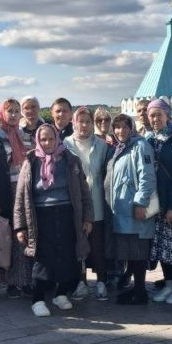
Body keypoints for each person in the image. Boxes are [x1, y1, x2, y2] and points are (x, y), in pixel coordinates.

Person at [13, 123, 92, 316]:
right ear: (37, 141)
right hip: (41, 217)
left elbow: (84, 191)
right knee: (43, 257)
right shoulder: (31, 161)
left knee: (68, 255)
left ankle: (61, 294)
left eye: (50, 139)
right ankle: (38, 299)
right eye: (43, 139)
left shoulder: (70, 159)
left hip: (67, 214)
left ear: (57, 139)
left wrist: (88, 217)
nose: (47, 143)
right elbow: (21, 195)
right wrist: (20, 226)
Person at [105, 113, 157, 304]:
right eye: (117, 127)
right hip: (122, 211)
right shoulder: (119, 148)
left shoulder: (140, 146)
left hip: (135, 209)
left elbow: (147, 177)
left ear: (132, 128)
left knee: (138, 253)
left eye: (125, 127)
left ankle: (140, 292)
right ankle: (136, 289)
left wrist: (140, 203)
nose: (121, 131)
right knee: (130, 253)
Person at [63, 106, 112, 299]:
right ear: (73, 123)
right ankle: (81, 282)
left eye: (88, 121)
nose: (84, 125)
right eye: (80, 121)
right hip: (74, 204)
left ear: (93, 124)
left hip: (97, 202)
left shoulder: (102, 146)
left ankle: (101, 281)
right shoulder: (65, 145)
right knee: (77, 244)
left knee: (97, 244)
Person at [145, 99, 172, 304]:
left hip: (170, 203)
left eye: (159, 115)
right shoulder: (150, 138)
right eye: (151, 115)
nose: (155, 119)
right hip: (156, 203)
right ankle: (169, 284)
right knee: (162, 246)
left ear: (167, 115)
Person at [0, 97, 32, 297]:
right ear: (2, 113)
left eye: (17, 111)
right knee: (9, 235)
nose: (13, 114)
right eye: (9, 111)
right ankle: (10, 282)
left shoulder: (25, 135)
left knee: (24, 234)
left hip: (24, 188)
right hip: (6, 190)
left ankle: (25, 279)